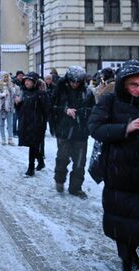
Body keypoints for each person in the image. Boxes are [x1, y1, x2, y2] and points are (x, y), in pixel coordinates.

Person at [88, 61, 139, 270]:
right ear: (123, 83)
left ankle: (132, 252)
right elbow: (95, 128)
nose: (138, 89)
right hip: (117, 168)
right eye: (133, 84)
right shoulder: (109, 101)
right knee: (121, 216)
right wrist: (125, 129)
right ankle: (127, 257)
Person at [53, 66, 95, 197]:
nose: (75, 84)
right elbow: (52, 107)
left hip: (80, 132)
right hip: (64, 130)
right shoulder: (60, 91)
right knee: (62, 158)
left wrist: (80, 113)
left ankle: (75, 188)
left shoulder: (87, 93)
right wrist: (65, 110)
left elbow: (93, 110)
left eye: (78, 82)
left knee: (79, 162)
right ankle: (59, 179)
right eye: (73, 81)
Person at [15, 72, 49, 176]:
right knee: (31, 144)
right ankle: (41, 161)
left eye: (29, 81)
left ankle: (31, 168)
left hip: (36, 124)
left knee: (33, 145)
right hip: (25, 122)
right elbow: (20, 109)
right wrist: (17, 103)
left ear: (34, 82)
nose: (27, 83)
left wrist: (42, 123)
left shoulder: (41, 94)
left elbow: (46, 109)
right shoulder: (24, 92)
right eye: (26, 81)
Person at [0, 71, 18, 145]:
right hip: (1, 107)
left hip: (10, 106)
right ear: (2, 77)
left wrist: (12, 89)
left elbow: (15, 93)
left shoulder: (11, 84)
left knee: (10, 124)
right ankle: (3, 139)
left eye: (7, 76)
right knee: (1, 124)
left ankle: (10, 139)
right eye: (4, 76)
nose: (6, 78)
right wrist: (2, 94)